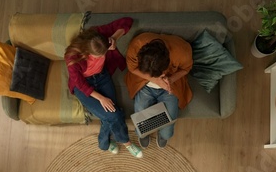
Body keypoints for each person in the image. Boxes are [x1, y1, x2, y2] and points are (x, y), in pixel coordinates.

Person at [65, 17, 143, 158]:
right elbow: (80, 83)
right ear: (86, 52)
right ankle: (126, 143)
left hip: (102, 77)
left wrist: (114, 38)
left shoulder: (99, 35)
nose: (101, 58)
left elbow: (127, 22)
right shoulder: (72, 56)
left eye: (103, 55)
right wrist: (101, 98)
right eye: (97, 57)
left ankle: (104, 144)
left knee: (109, 117)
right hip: (83, 86)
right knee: (115, 114)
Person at [125, 33, 193, 148]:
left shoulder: (182, 51)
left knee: (167, 133)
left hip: (170, 86)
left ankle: (161, 133)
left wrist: (171, 79)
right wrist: (155, 80)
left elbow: (186, 69)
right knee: (141, 124)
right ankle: (145, 132)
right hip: (144, 84)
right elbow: (132, 67)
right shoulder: (137, 44)